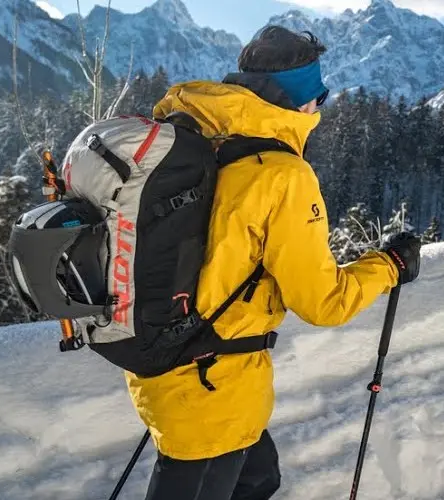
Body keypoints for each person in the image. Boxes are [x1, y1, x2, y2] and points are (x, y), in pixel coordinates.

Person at [136, 26, 422, 499]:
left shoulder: (191, 135)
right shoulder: (282, 175)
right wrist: (389, 266)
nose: (321, 107)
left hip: (162, 356)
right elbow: (323, 303)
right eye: (318, 94)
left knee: (260, 478)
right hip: (214, 379)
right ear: (297, 100)